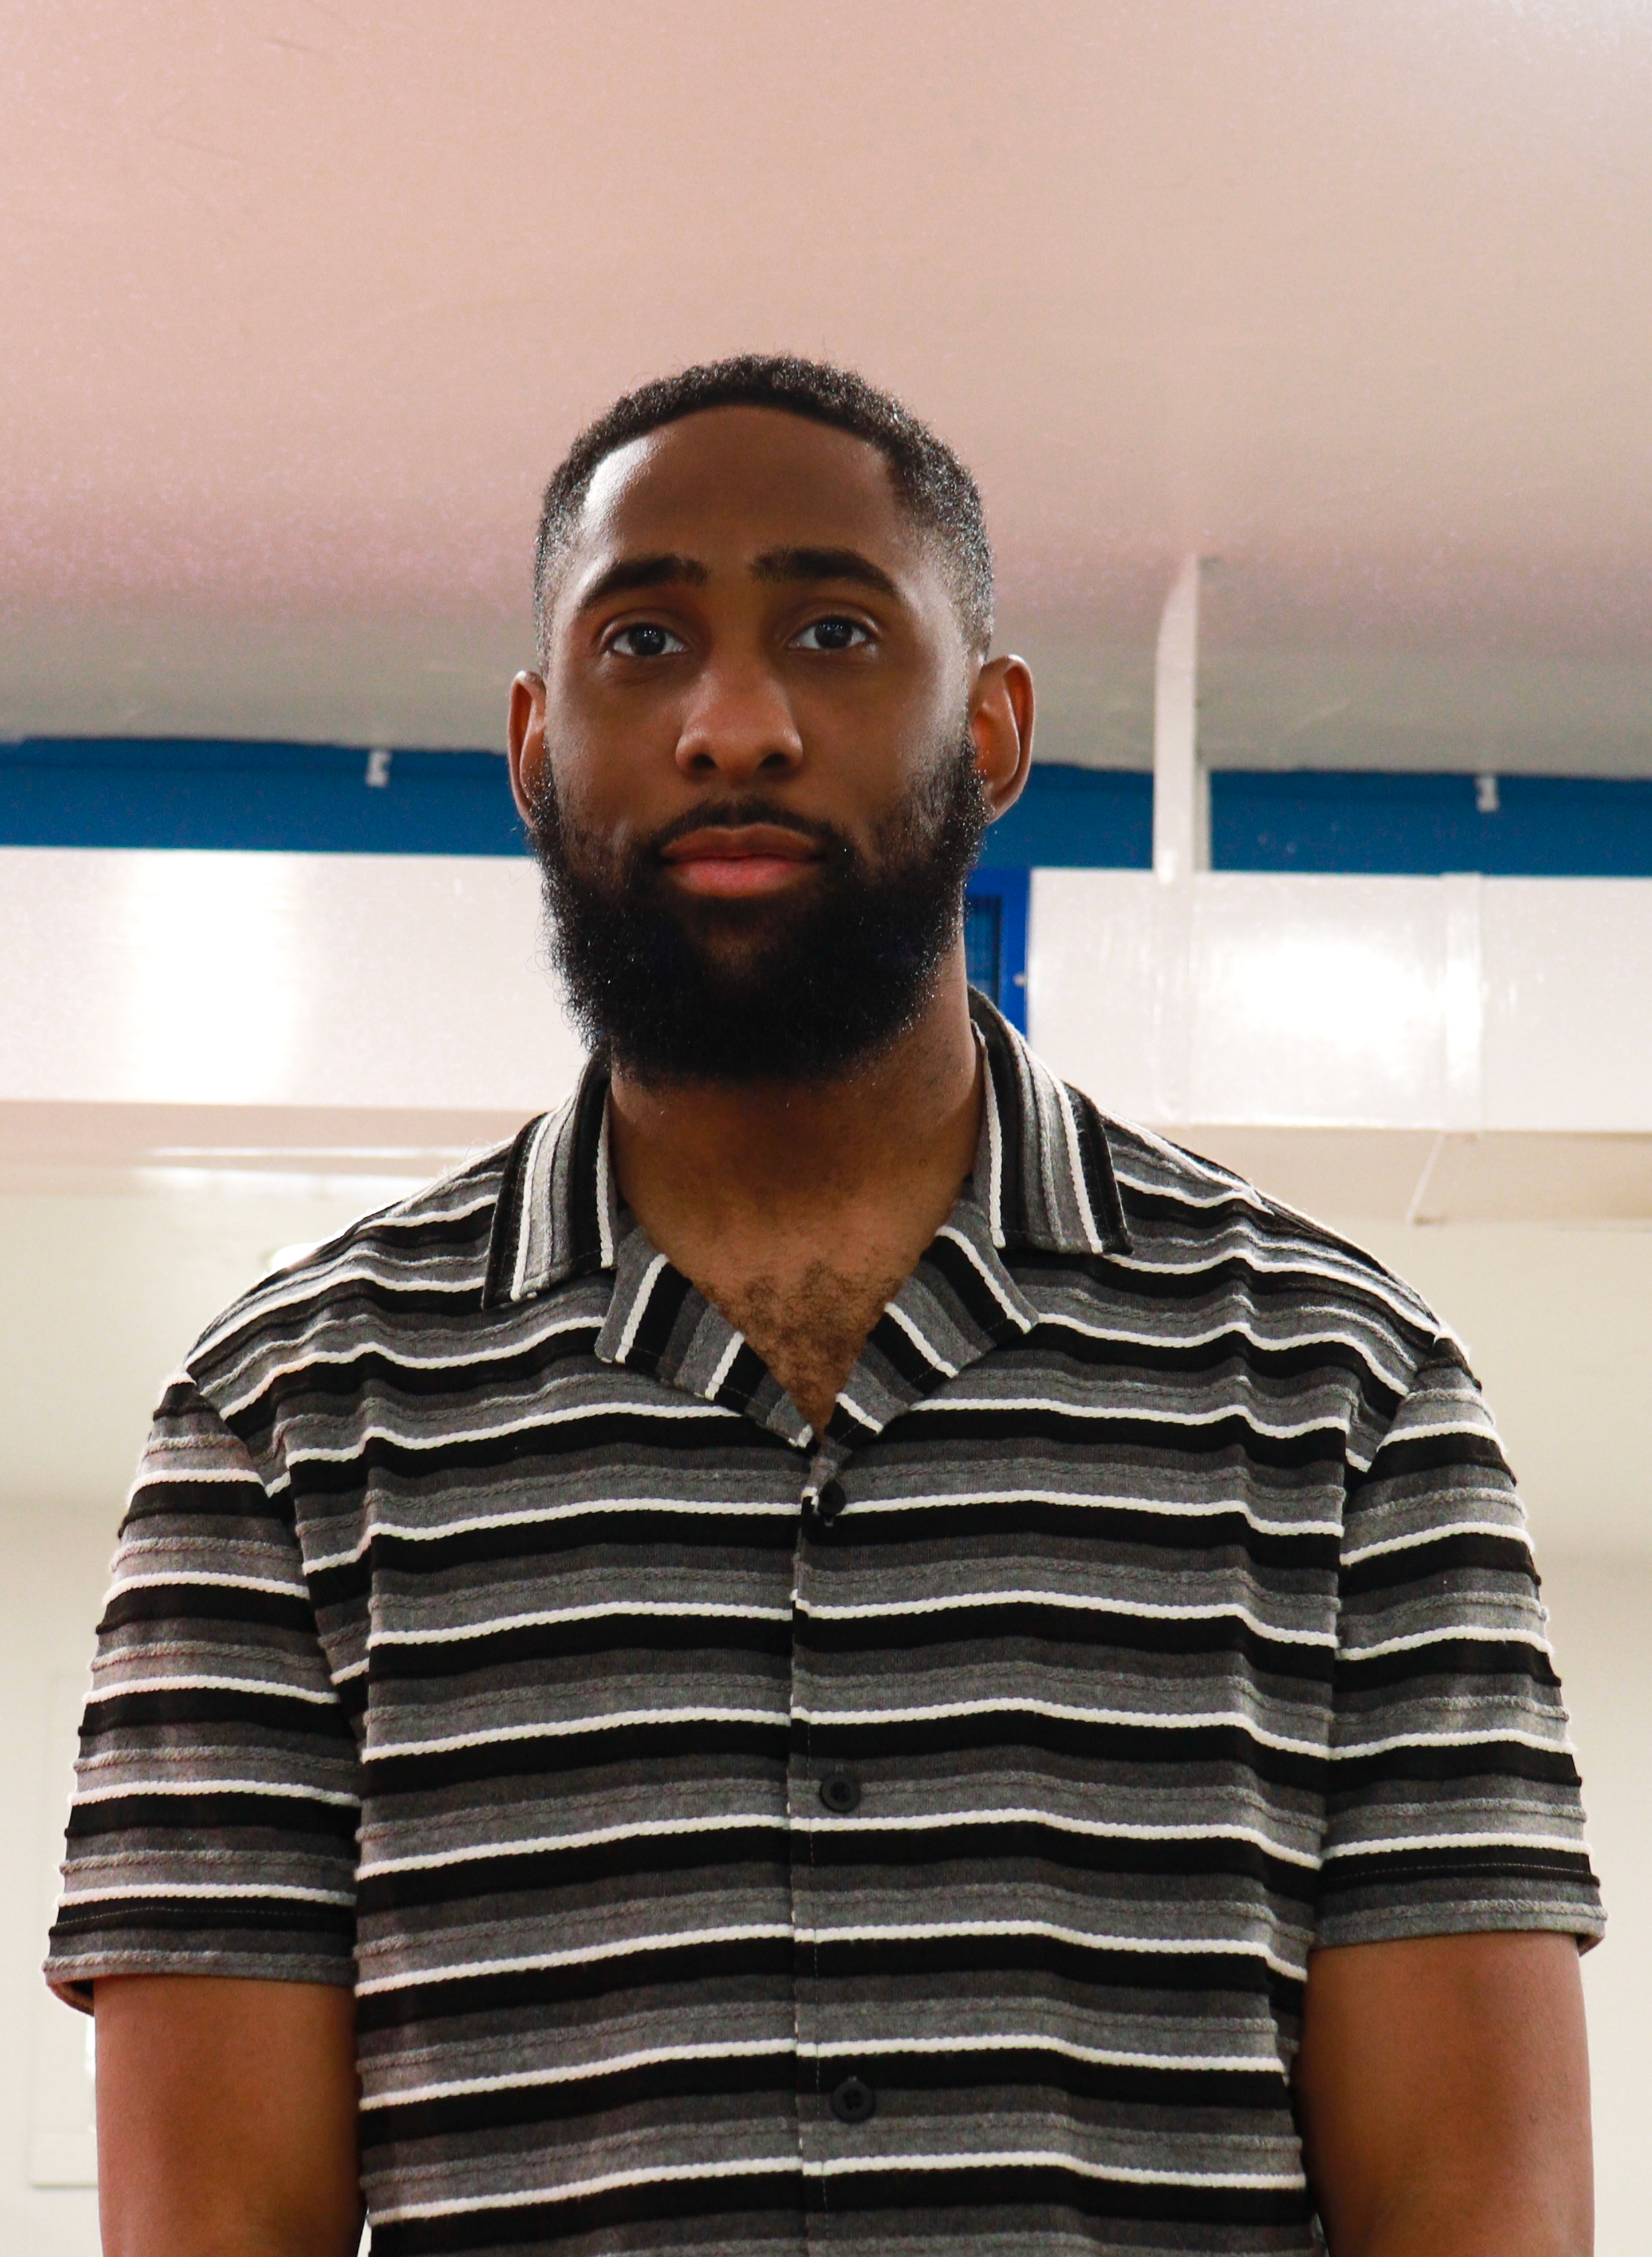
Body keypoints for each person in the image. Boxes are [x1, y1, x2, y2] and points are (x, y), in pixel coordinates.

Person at [48, 354, 1601, 2257]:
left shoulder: (1346, 1397)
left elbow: (1475, 2213)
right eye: (644, 641)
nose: (735, 723)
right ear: (535, 745)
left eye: (837, 629)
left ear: (998, 728)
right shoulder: (285, 1431)